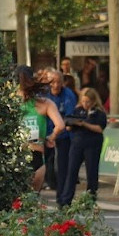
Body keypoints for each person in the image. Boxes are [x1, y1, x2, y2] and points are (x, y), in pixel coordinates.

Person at [16, 65, 65, 193]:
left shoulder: (9, 104)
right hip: (36, 154)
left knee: (15, 203)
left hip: (15, 155)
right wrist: (51, 138)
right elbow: (60, 125)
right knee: (32, 203)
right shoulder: (45, 103)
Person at [57, 88, 108, 207]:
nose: (85, 104)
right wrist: (72, 123)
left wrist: (84, 124)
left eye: (88, 102)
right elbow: (69, 125)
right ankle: (66, 200)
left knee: (91, 172)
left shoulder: (98, 113)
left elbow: (99, 128)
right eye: (84, 101)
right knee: (72, 171)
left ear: (93, 101)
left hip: (92, 144)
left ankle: (90, 198)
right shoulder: (78, 110)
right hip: (77, 143)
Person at [44, 67, 78, 195]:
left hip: (63, 134)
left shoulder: (68, 95)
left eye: (58, 82)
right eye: (52, 82)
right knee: (46, 163)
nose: (56, 85)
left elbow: (69, 116)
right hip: (46, 133)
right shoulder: (43, 94)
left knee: (63, 164)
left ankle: (62, 192)